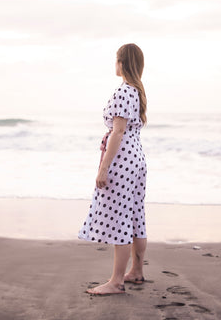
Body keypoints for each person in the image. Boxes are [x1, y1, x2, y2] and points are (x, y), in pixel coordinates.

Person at [78, 43, 147, 295]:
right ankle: (136, 272)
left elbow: (118, 132)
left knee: (120, 218)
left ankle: (117, 281)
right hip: (137, 157)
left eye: (116, 60)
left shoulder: (123, 92)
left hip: (122, 159)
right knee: (135, 215)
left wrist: (103, 168)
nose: (114, 64)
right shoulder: (138, 91)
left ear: (122, 63)